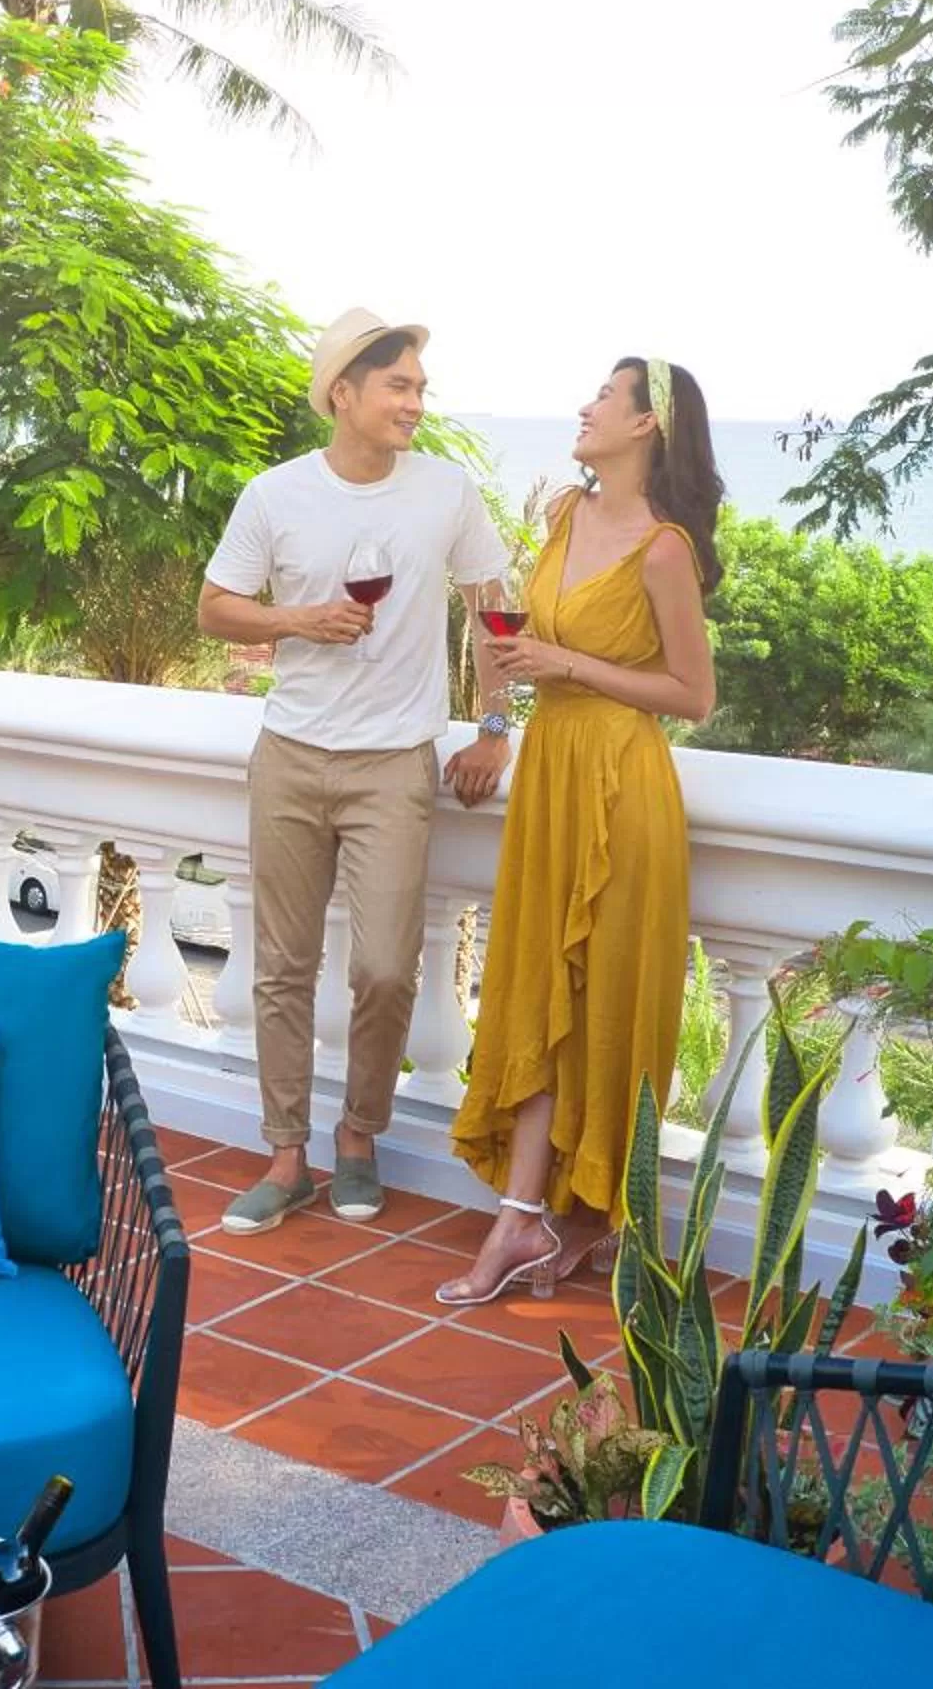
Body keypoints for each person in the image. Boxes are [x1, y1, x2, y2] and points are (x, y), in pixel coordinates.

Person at [199, 307, 516, 1233]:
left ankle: (359, 1136)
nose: (416, 403)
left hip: (395, 764)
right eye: (400, 387)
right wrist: (300, 619)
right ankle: (287, 1153)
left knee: (384, 968)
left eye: (420, 387)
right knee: (282, 967)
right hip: (291, 756)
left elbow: (493, 608)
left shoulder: (445, 493)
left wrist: (495, 724)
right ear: (345, 393)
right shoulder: (275, 495)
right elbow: (217, 609)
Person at [439, 356, 722, 1306]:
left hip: (620, 781)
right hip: (551, 770)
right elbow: (522, 637)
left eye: (605, 394)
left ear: (646, 426)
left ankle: (542, 1220)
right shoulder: (564, 513)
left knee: (599, 1001)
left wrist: (566, 659)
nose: (586, 405)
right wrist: (503, 695)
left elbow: (694, 696)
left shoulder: (666, 549)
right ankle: (553, 1218)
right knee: (535, 989)